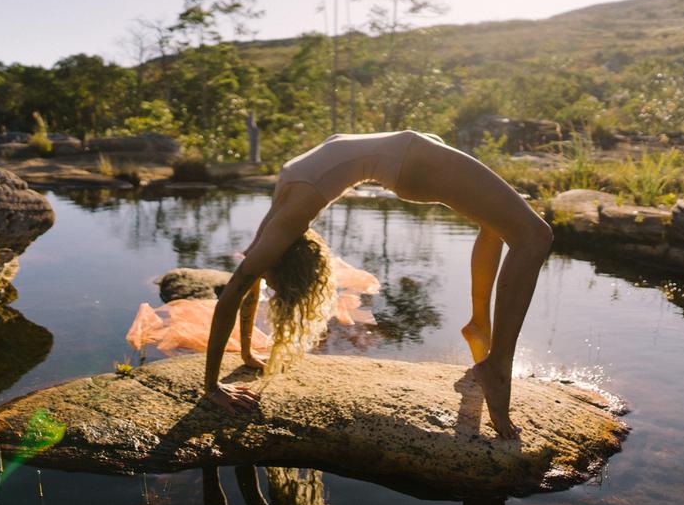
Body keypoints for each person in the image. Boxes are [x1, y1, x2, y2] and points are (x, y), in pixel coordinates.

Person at [202, 130, 553, 439]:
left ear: (285, 265)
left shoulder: (280, 227)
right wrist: (230, 370)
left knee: (512, 229)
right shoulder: (281, 218)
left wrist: (221, 378)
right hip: (409, 157)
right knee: (533, 235)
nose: (270, 287)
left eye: (275, 286)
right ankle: (496, 366)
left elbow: (235, 292)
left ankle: (482, 331)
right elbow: (245, 285)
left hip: (411, 157)